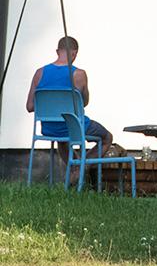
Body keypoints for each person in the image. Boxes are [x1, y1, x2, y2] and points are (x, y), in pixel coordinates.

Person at [25, 36, 114, 177]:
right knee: (107, 137)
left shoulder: (39, 73)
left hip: (49, 128)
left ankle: (74, 171)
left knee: (62, 141)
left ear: (57, 51)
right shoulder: (79, 74)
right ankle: (80, 169)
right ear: (75, 53)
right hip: (72, 127)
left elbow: (30, 106)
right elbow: (83, 103)